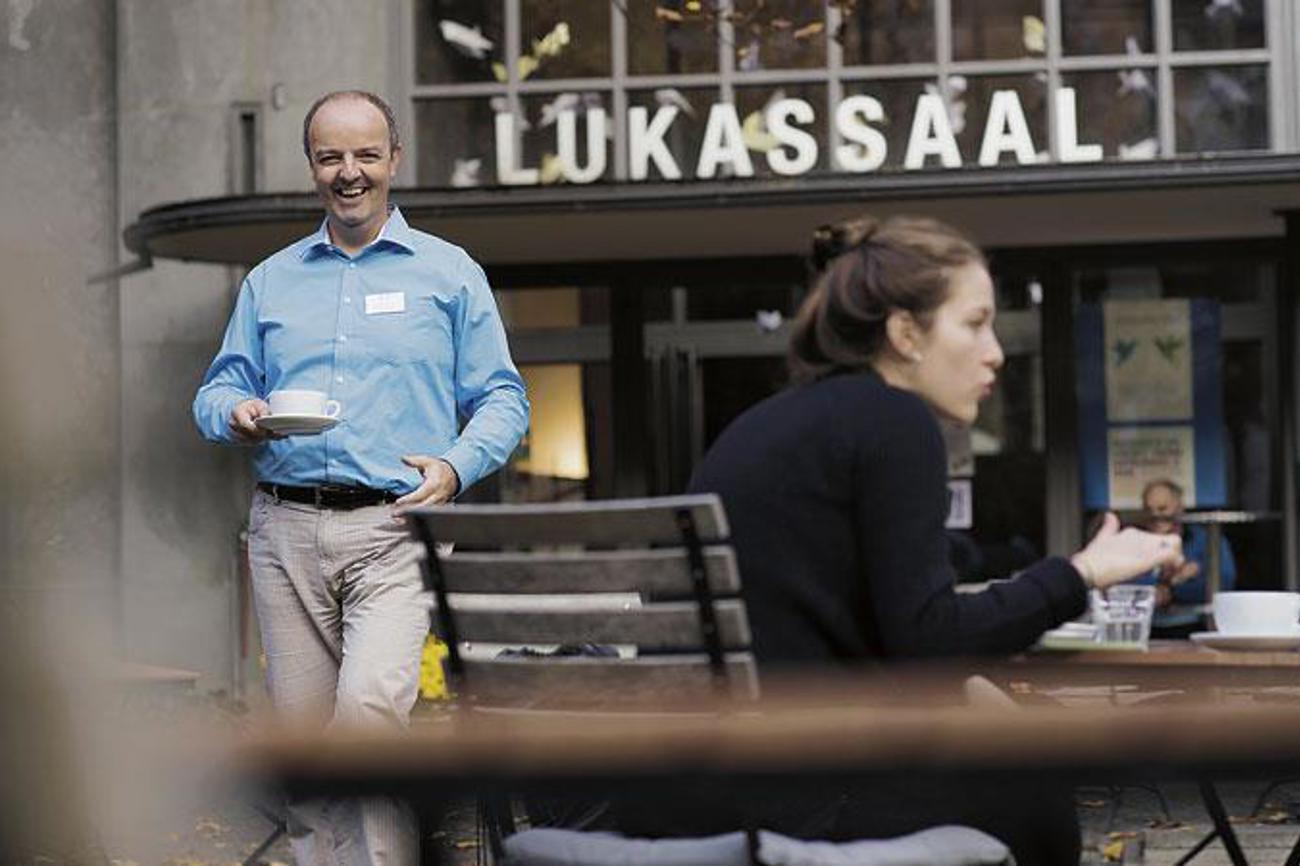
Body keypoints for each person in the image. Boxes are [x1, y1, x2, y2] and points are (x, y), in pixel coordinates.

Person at [650, 214, 1183, 864]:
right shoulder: (893, 420)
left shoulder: (780, 423)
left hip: (694, 788)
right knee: (1034, 793)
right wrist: (1080, 575)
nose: (996, 350)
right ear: (904, 332)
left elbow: (891, 589)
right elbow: (929, 640)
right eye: (975, 322)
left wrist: (1027, 570)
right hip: (801, 797)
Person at [193, 90, 528, 866]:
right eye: (330, 157)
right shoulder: (270, 282)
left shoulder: (449, 274)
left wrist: (455, 465)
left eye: (365, 155)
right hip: (284, 530)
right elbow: (213, 391)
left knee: (368, 723)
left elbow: (503, 400)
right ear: (312, 166)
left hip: (396, 530)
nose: (349, 173)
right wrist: (237, 412)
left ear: (394, 159)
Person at [1137, 478, 1237, 636]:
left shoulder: (1208, 541)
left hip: (1195, 627)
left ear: (1179, 508)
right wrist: (1169, 583)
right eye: (1149, 510)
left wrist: (1173, 590)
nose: (1155, 516)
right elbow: (1122, 585)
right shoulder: (1133, 542)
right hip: (1143, 629)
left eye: (1162, 509)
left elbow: (1224, 582)